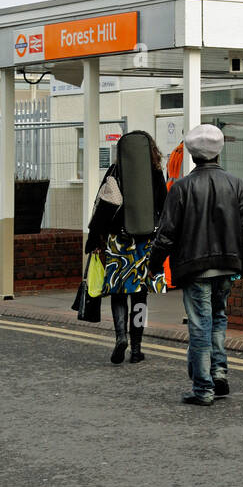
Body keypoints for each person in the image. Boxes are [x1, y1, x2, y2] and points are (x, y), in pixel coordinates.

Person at [150, 124, 243, 406]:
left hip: (195, 267)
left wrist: (154, 265)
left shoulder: (182, 187)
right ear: (218, 152)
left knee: (200, 326)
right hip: (228, 265)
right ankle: (219, 374)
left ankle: (203, 388)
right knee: (218, 319)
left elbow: (167, 233)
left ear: (193, 155)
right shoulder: (236, 184)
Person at [84, 130, 167, 365]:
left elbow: (101, 208)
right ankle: (137, 348)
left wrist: (96, 241)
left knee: (118, 294)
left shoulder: (114, 171)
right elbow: (164, 206)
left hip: (117, 242)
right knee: (140, 296)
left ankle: (121, 337)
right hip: (144, 243)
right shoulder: (156, 173)